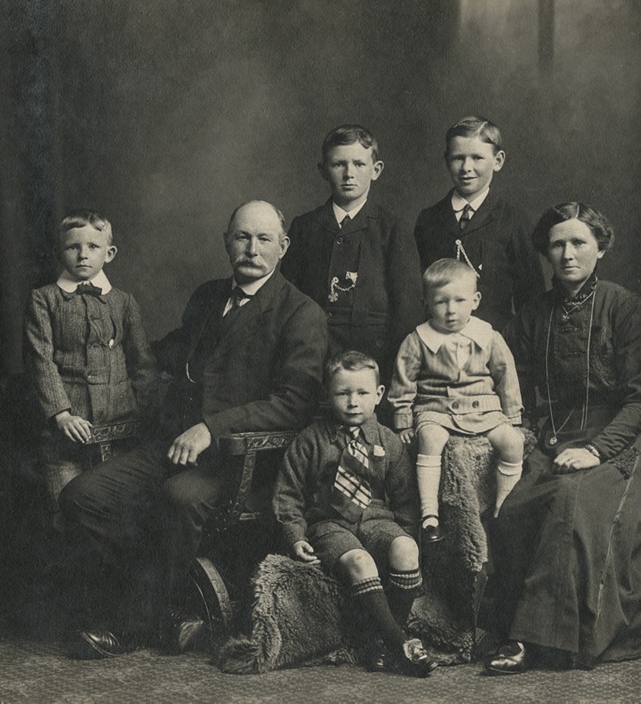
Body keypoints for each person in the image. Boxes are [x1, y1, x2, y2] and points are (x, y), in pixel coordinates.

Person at [59, 200, 328, 658]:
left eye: (264, 239)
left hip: (243, 461)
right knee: (83, 496)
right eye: (242, 237)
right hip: (171, 442)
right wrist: (91, 352)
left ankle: (131, 625)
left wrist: (213, 428)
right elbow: (166, 352)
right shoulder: (208, 295)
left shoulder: (301, 313)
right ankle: (152, 606)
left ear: (283, 247)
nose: (252, 248)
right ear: (227, 241)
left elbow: (293, 404)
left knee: (178, 498)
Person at [481, 202, 641, 673]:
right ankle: (500, 626)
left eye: (579, 243)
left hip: (625, 437)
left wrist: (596, 449)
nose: (567, 254)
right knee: (512, 509)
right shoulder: (532, 315)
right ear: (546, 253)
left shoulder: (628, 308)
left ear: (600, 248)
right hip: (556, 436)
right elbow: (509, 379)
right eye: (557, 245)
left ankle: (537, 641)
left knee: (571, 501)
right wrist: (526, 430)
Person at [272, 350, 437, 677]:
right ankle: (400, 643)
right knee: (359, 561)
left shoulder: (388, 441)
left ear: (378, 395)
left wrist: (405, 535)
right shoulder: (311, 441)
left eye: (362, 393)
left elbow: (404, 498)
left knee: (406, 550)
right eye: (342, 393)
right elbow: (287, 494)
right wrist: (295, 536)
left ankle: (381, 641)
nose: (352, 402)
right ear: (326, 395)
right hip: (330, 525)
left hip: (377, 521)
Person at [24, 210, 156, 523]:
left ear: (109, 253)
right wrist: (61, 413)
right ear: (59, 253)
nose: (83, 254)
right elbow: (39, 360)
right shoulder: (44, 299)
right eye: (73, 247)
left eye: (93, 247)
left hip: (121, 432)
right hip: (64, 437)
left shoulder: (123, 301)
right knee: (68, 515)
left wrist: (144, 414)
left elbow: (143, 363)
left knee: (118, 518)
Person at [387, 259, 524, 543]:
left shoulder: (488, 336)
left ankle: (503, 507)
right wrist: (403, 421)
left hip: (483, 407)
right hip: (437, 408)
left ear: (475, 301)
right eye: (441, 302)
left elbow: (505, 376)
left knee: (513, 442)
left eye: (459, 301)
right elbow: (403, 382)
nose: (451, 310)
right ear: (427, 303)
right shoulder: (418, 339)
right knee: (431, 439)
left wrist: (513, 419)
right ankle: (429, 516)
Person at [281, 124, 424, 387]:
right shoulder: (305, 227)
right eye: (339, 164)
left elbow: (408, 311)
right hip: (312, 359)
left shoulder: (392, 230)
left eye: (359, 164)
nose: (349, 174)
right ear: (323, 170)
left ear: (376, 170)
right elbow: (288, 298)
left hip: (373, 363)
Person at [414, 115, 545, 332]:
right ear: (447, 160)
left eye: (477, 158)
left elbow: (530, 297)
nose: (466, 167)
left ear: (498, 160)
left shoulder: (514, 220)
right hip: (438, 343)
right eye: (458, 158)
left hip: (495, 341)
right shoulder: (428, 219)